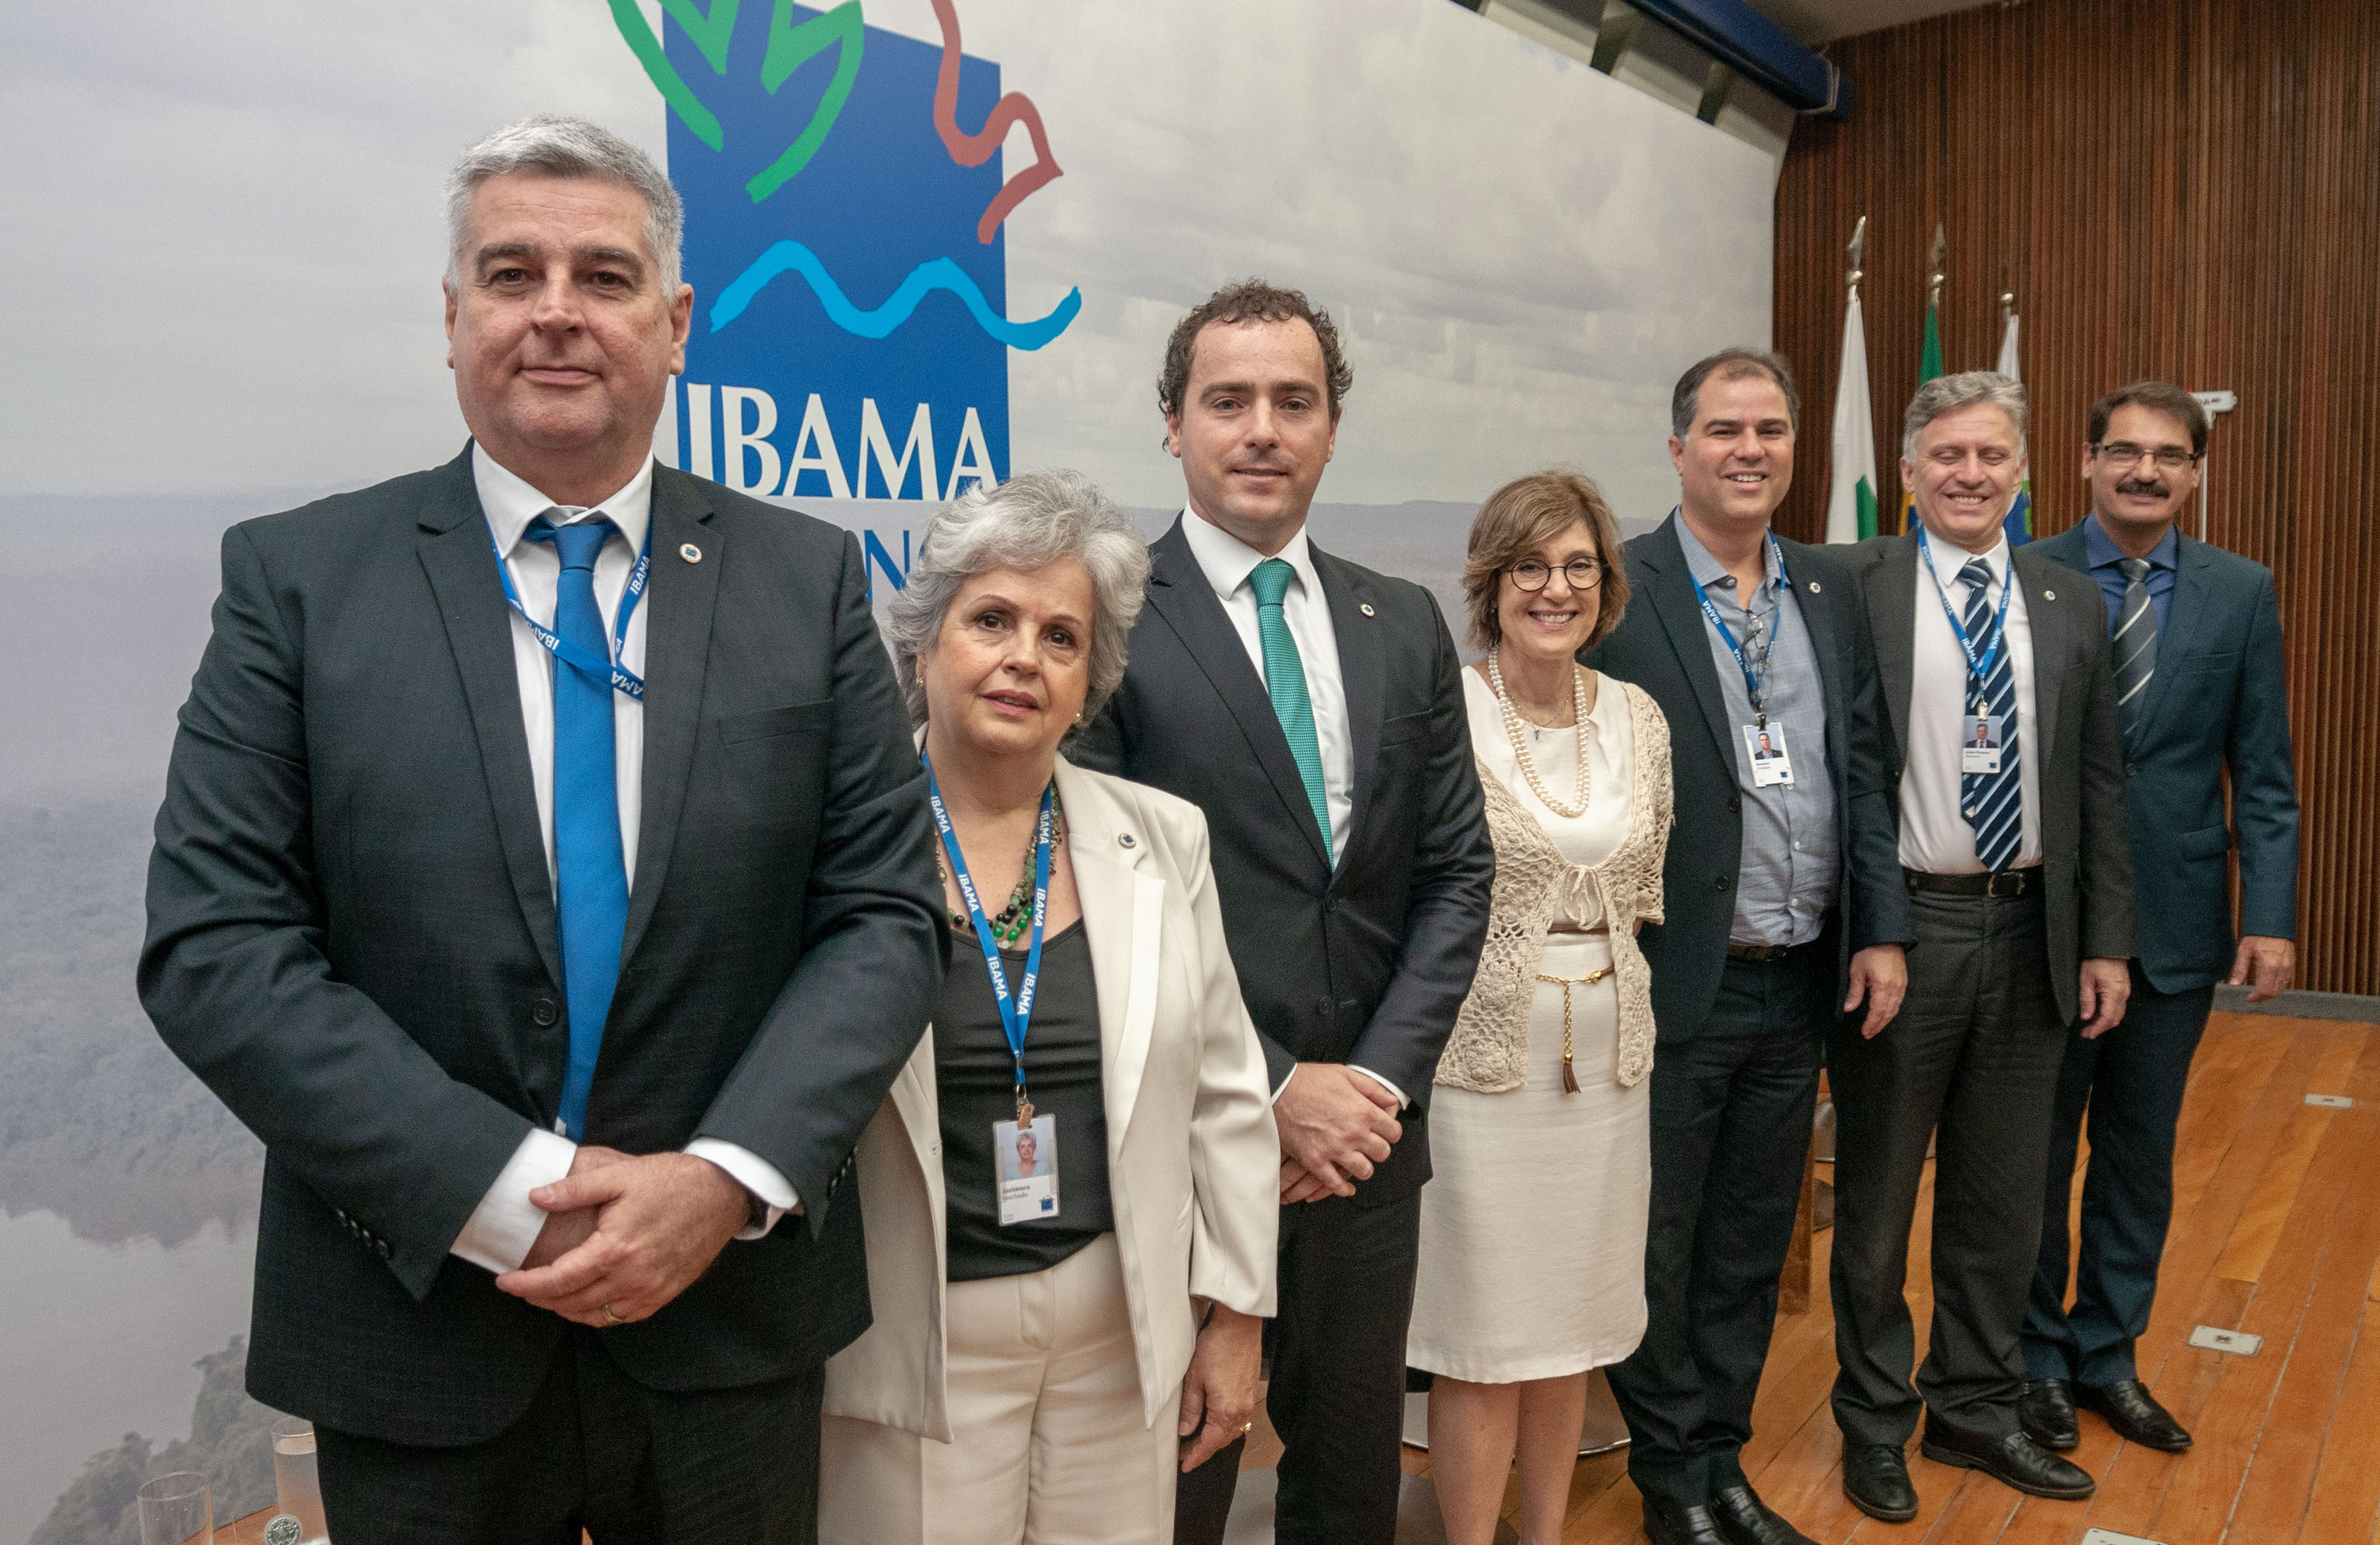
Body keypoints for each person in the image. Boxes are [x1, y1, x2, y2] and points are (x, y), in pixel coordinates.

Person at [136, 117, 946, 1543]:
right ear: (453, 317)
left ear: (676, 324)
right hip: (417, 1335)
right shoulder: (297, 583)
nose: (557, 311)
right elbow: (217, 947)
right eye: (512, 274)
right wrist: (503, 1194)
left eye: (604, 276)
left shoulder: (807, 581)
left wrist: (725, 1180)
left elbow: (882, 916)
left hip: (727, 1324)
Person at [1073, 280, 1496, 1545]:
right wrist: (1267, 1086)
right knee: (1178, 1483)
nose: (1262, 429)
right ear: (1172, 424)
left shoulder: (1401, 618)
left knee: (1351, 1478)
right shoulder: (1105, 618)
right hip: (1184, 1139)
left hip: (1366, 1149)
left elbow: (1455, 872)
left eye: (1293, 402)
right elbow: (1097, 898)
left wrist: (1370, 1089)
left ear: (1332, 427)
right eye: (1228, 401)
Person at [817, 471, 1277, 1543]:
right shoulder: (839, 839)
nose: (1025, 656)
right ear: (923, 647)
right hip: (917, 1334)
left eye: (1061, 637)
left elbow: (1226, 1093)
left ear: (1089, 684)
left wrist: (1238, 1314)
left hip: (1122, 1329)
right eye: (992, 620)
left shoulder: (1163, 837)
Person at [1583, 350, 1908, 1545]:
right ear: (1679, 449)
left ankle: (1722, 1458)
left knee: (1751, 1240)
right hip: (1678, 976)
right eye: (1724, 430)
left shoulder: (1827, 585)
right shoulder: (1622, 587)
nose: (1750, 450)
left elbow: (1862, 770)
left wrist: (1881, 928)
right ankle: (1672, 1478)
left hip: (1802, 974)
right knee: (1660, 1238)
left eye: (1770, 429)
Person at [1827, 371, 2135, 1521]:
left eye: (1991, 455)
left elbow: (2098, 783)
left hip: (2035, 924)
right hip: (1908, 932)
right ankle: (1873, 1422)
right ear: (1909, 472)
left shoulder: (2068, 601)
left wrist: (2104, 940)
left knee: (2005, 1199)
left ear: (2024, 472)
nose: (1970, 474)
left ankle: (1974, 1406)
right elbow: (1853, 776)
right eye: (1947, 455)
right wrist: (1879, 927)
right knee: (1876, 1204)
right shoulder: (1857, 588)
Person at [2018, 382, 2300, 1454]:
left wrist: (2269, 916)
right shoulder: (2025, 574)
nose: (2145, 471)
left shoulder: (2241, 591)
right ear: (2087, 461)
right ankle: (2035, 1359)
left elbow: (2263, 773)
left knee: (2137, 1156)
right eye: (2125, 451)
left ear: (2195, 473)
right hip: (2046, 921)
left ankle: (2108, 1356)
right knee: (2037, 1156)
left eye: (2169, 456)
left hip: (2177, 923)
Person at [1405, 472, 1672, 1545]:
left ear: (1605, 584)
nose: (1554, 589)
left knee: (1572, 1332)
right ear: (1491, 581)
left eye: (1577, 567)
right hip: (1478, 1072)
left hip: (1607, 1070)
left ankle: (1547, 1535)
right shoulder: (1446, 709)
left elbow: (1642, 895)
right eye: (1529, 566)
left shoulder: (1639, 718)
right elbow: (1414, 887)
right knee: (1485, 1341)